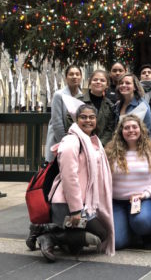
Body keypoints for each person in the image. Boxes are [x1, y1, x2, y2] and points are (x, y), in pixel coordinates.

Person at [37, 105, 114, 262]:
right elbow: (69, 177)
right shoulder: (71, 141)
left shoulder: (93, 140)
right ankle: (49, 236)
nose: (88, 120)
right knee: (101, 235)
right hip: (67, 203)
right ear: (76, 119)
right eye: (83, 117)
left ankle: (45, 230)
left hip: (85, 202)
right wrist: (76, 210)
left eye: (91, 117)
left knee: (78, 246)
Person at [106, 115, 151, 250]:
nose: (131, 130)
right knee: (116, 243)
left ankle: (146, 230)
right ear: (121, 131)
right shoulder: (110, 151)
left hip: (143, 200)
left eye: (134, 127)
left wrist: (145, 194)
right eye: (126, 128)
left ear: (141, 129)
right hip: (117, 201)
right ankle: (130, 231)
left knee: (142, 222)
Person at [45, 65, 84, 162]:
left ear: (80, 77)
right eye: (71, 74)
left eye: (77, 74)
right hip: (59, 140)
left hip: (75, 141)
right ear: (66, 78)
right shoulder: (59, 95)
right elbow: (57, 123)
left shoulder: (82, 96)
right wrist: (64, 144)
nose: (74, 77)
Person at [66, 69, 115, 147]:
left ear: (107, 85)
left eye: (102, 80)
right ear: (90, 82)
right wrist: (83, 141)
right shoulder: (77, 101)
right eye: (95, 80)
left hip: (101, 147)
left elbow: (110, 129)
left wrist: (99, 144)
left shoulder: (110, 106)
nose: (98, 82)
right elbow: (70, 121)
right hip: (79, 145)